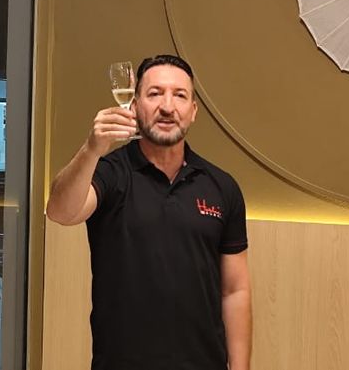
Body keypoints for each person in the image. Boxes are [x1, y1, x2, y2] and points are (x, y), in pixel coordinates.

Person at [46, 54, 252, 370]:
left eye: (179, 95)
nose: (167, 106)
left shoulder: (222, 186)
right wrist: (92, 148)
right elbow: (60, 211)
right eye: (154, 93)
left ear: (193, 111)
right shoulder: (111, 173)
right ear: (135, 105)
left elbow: (235, 290)